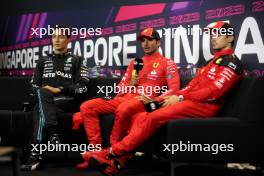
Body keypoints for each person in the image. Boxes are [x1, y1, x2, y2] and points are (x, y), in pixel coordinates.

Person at [80, 21, 244, 175]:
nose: (213, 38)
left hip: (204, 106)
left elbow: (214, 92)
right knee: (141, 115)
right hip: (188, 100)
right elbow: (192, 85)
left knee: (153, 116)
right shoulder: (210, 61)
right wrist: (173, 97)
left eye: (218, 34)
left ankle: (111, 152)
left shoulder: (232, 62)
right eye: (212, 34)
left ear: (229, 37)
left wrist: (179, 97)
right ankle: (118, 161)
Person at [74, 27, 180, 169]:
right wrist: (130, 85)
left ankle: (112, 154)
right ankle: (95, 152)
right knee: (87, 106)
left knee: (124, 108)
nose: (145, 44)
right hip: (125, 97)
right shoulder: (135, 63)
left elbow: (174, 90)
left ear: (158, 42)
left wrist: (155, 101)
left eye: (149, 40)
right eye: (143, 41)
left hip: (142, 100)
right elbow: (120, 89)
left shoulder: (167, 63)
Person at [21, 25, 90, 171]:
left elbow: (83, 87)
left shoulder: (78, 60)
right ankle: (52, 134)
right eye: (54, 36)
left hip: (65, 101)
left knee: (39, 107)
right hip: (44, 100)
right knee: (42, 97)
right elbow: (33, 86)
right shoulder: (42, 61)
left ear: (69, 39)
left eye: (61, 36)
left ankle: (35, 155)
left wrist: (60, 89)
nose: (56, 40)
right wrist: (44, 91)